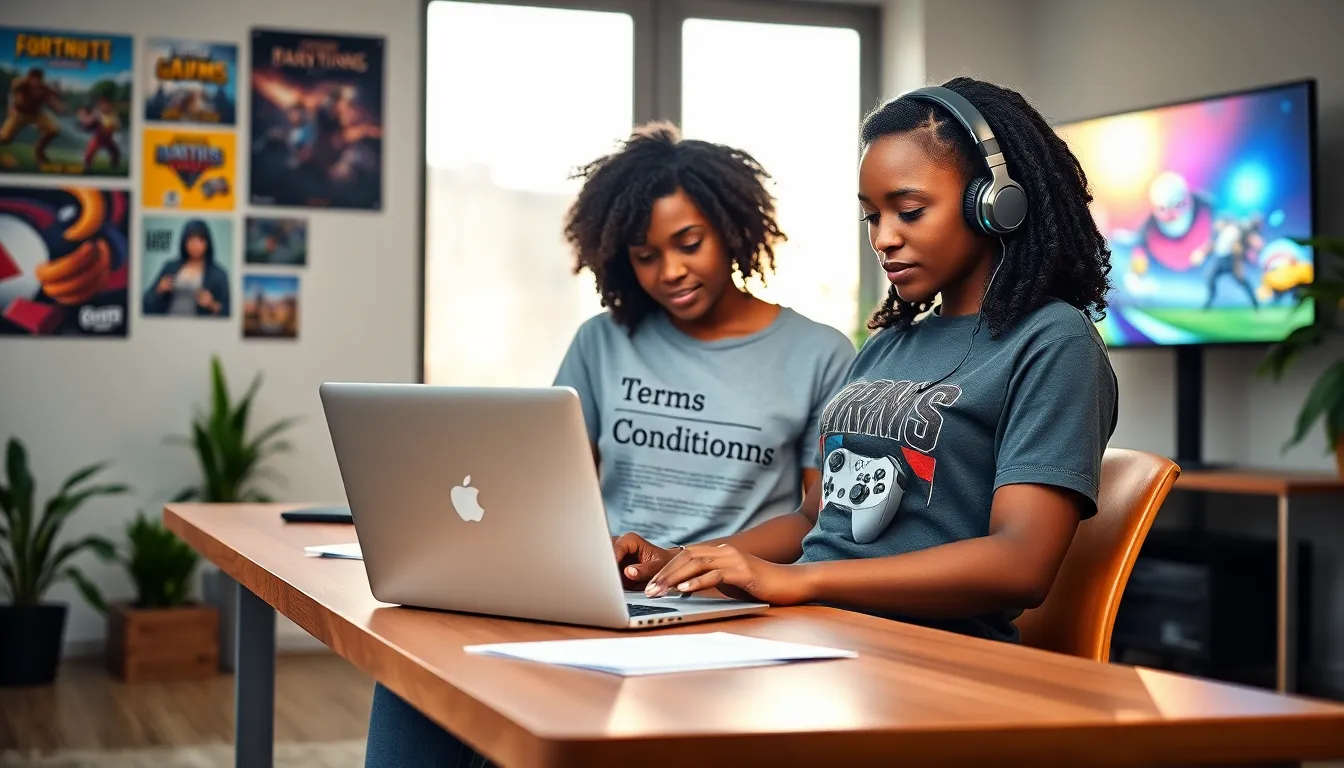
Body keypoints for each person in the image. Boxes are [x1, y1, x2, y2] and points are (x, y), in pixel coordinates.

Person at [365, 122, 857, 766]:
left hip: (722, 609)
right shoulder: (602, 341)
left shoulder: (820, 353)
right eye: (644, 255)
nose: (670, 271)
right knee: (420, 670)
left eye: (689, 243)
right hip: (596, 593)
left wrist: (687, 559)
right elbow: (547, 484)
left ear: (732, 229)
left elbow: (817, 519)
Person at [621, 76, 1119, 646]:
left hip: (924, 657)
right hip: (813, 636)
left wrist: (798, 582)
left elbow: (1020, 563)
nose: (883, 238)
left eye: (908, 211)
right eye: (871, 218)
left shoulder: (1052, 341)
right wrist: (681, 562)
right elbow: (812, 521)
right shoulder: (888, 344)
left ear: (994, 205)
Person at [142, 219, 230, 317]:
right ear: (184, 242)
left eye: (200, 240)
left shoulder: (218, 274)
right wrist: (159, 290)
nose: (195, 245)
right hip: (168, 324)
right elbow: (145, 301)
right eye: (190, 240)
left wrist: (212, 304)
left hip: (200, 329)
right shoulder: (170, 267)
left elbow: (229, 312)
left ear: (207, 243)